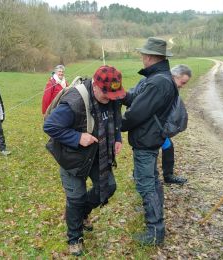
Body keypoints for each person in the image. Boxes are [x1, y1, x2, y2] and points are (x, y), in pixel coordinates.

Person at [44, 65, 126, 256]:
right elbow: (50, 126)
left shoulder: (111, 95)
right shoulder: (75, 101)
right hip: (71, 156)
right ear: (95, 86)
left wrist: (117, 138)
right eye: (107, 95)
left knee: (108, 186)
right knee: (76, 197)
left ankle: (83, 213)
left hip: (98, 152)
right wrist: (77, 138)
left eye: (113, 96)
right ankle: (74, 237)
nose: (111, 99)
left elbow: (115, 118)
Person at [121, 37, 177, 246]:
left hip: (146, 139)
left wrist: (114, 127)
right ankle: (155, 212)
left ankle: (155, 230)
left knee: (146, 184)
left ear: (152, 57)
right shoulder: (157, 78)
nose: (142, 57)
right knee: (152, 179)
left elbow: (136, 113)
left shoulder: (158, 82)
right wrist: (120, 94)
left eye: (144, 54)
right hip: (150, 138)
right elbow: (136, 98)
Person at [161, 65, 192, 185]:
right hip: (149, 129)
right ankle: (140, 176)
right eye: (182, 82)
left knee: (168, 147)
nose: (183, 86)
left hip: (160, 128)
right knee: (148, 154)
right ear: (174, 76)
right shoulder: (162, 85)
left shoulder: (173, 88)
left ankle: (168, 176)